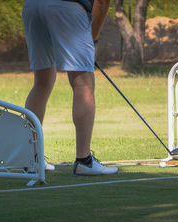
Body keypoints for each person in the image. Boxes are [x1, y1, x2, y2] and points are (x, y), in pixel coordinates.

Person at [22, 0, 118, 175]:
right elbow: (102, 3)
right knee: (83, 83)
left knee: (42, 82)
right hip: (67, 7)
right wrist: (93, 39)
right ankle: (84, 161)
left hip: (32, 6)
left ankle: (31, 158)